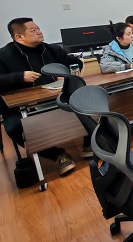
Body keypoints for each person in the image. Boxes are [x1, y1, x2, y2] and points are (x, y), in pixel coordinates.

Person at [0, 18, 84, 175]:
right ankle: (56, 154)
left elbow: (75, 63)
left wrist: (67, 73)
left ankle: (89, 143)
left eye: (38, 28)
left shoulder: (51, 49)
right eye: (33, 30)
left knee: (86, 105)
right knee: (16, 127)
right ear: (19, 37)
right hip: (22, 107)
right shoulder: (4, 55)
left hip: (57, 98)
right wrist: (19, 77)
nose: (39, 31)